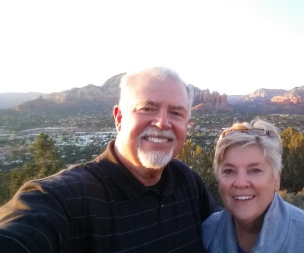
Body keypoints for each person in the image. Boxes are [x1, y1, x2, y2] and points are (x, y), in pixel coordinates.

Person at [0, 67, 220, 252]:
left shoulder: (187, 180)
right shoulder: (63, 197)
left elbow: (231, 232)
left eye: (176, 113)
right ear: (119, 118)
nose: (162, 123)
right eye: (147, 108)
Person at [202, 119, 304, 253]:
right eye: (229, 171)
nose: (240, 183)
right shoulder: (205, 234)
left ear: (276, 178)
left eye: (254, 170)